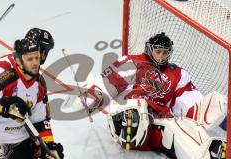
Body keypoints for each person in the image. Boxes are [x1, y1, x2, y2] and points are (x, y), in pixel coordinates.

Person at [80, 32, 227, 158]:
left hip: (158, 124)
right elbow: (108, 81)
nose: (161, 57)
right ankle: (131, 122)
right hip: (130, 117)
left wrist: (199, 113)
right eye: (158, 51)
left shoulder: (177, 74)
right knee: (138, 107)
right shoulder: (132, 62)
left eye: (165, 53)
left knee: (183, 125)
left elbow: (186, 102)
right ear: (149, 49)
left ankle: (212, 151)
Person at [0, 38, 63, 159]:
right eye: (30, 59)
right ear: (18, 60)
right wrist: (2, 108)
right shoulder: (4, 80)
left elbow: (39, 121)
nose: (35, 63)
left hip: (22, 140)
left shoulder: (39, 86)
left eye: (37, 57)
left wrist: (49, 145)